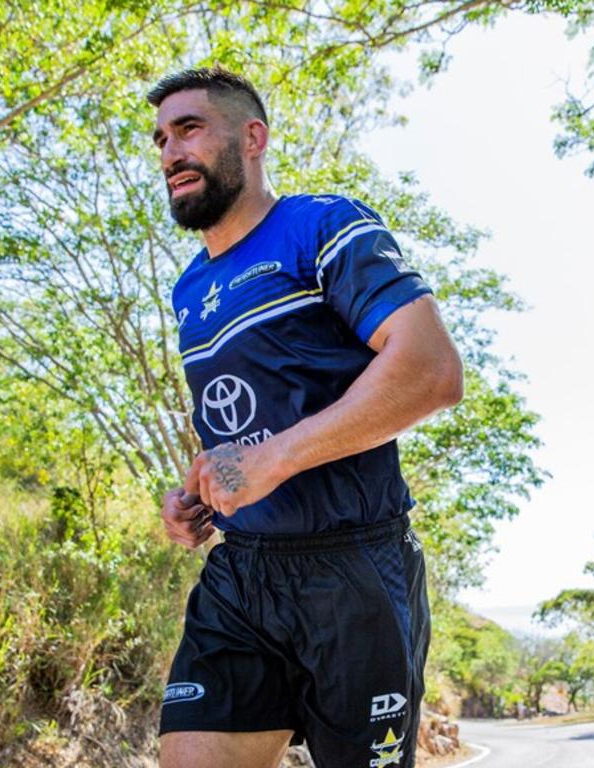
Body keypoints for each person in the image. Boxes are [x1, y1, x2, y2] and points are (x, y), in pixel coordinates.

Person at [150, 67, 464, 768]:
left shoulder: (323, 226)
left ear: (253, 138)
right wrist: (200, 493)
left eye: (190, 128)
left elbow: (431, 370)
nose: (171, 151)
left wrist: (273, 460)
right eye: (162, 138)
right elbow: (246, 423)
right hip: (242, 575)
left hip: (353, 568)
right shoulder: (191, 288)